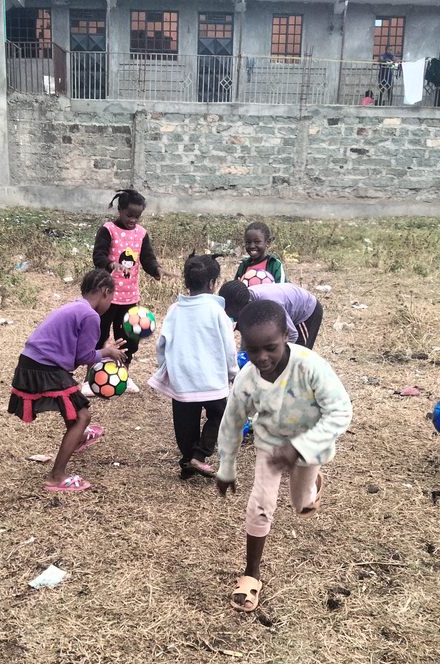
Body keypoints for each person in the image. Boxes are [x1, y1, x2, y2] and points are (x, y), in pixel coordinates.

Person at [215, 300, 352, 613]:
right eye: (252, 349)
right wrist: (226, 466)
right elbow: (232, 421)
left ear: (286, 337)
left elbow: (341, 411)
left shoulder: (309, 366)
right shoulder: (247, 379)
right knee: (260, 504)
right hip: (271, 444)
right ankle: (251, 573)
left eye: (271, 348)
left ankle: (312, 486)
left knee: (301, 505)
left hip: (309, 442)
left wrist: (300, 448)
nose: (262, 357)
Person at [9, 269, 126, 493]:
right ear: (105, 292)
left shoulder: (76, 306)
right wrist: (107, 352)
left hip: (31, 362)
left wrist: (104, 350)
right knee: (82, 416)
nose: (111, 303)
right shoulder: (90, 316)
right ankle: (56, 477)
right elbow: (84, 357)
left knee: (72, 406)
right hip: (44, 366)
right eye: (112, 297)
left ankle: (79, 437)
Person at [148, 253, 238, 479]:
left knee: (185, 424)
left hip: (183, 380)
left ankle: (188, 459)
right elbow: (229, 347)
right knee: (221, 415)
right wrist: (232, 372)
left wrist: (166, 369)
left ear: (186, 282)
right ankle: (199, 455)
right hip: (212, 380)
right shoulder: (217, 312)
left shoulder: (174, 310)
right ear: (212, 283)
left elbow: (162, 344)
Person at [91, 189, 161, 391]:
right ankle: (91, 376)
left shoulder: (141, 234)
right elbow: (98, 255)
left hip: (129, 298)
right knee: (99, 336)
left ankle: (124, 375)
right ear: (120, 210)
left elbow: (147, 257)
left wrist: (156, 270)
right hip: (106, 297)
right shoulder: (108, 230)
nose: (133, 220)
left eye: (137, 216)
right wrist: (111, 264)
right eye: (129, 215)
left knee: (129, 339)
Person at [219, 279, 323, 349]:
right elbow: (248, 337)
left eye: (234, 315)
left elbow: (292, 335)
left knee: (299, 356)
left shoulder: (271, 304)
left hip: (306, 311)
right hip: (287, 305)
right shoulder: (243, 301)